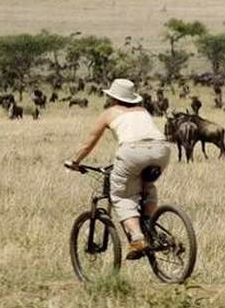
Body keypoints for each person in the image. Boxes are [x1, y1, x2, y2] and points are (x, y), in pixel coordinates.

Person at [65, 78, 172, 259]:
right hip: (162, 150)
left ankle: (137, 238)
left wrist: (74, 161)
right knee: (147, 186)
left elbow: (89, 143)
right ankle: (150, 227)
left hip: (132, 152)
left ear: (113, 98)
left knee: (121, 195)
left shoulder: (109, 113)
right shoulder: (143, 110)